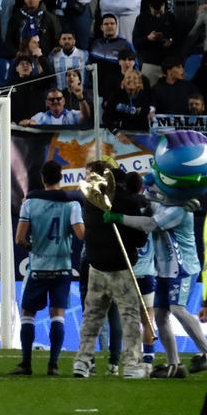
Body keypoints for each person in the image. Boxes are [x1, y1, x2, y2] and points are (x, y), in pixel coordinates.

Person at [111, 183, 207, 376]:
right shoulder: (160, 203)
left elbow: (150, 224)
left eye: (155, 186)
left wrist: (120, 218)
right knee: (161, 316)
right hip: (164, 270)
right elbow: (144, 205)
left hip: (183, 268)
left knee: (177, 309)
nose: (152, 190)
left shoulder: (178, 209)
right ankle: (175, 365)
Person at [72, 163, 150, 380]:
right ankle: (132, 364)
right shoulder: (126, 201)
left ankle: (82, 361)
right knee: (129, 316)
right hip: (120, 268)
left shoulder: (90, 202)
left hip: (95, 266)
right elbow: (140, 238)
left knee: (92, 316)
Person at [11, 160, 85, 376]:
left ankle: (26, 363)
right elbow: (81, 235)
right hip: (62, 268)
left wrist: (34, 246)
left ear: (43, 178)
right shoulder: (72, 204)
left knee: (28, 314)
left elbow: (19, 238)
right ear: (60, 177)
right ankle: (53, 365)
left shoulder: (30, 203)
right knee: (57, 314)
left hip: (38, 267)